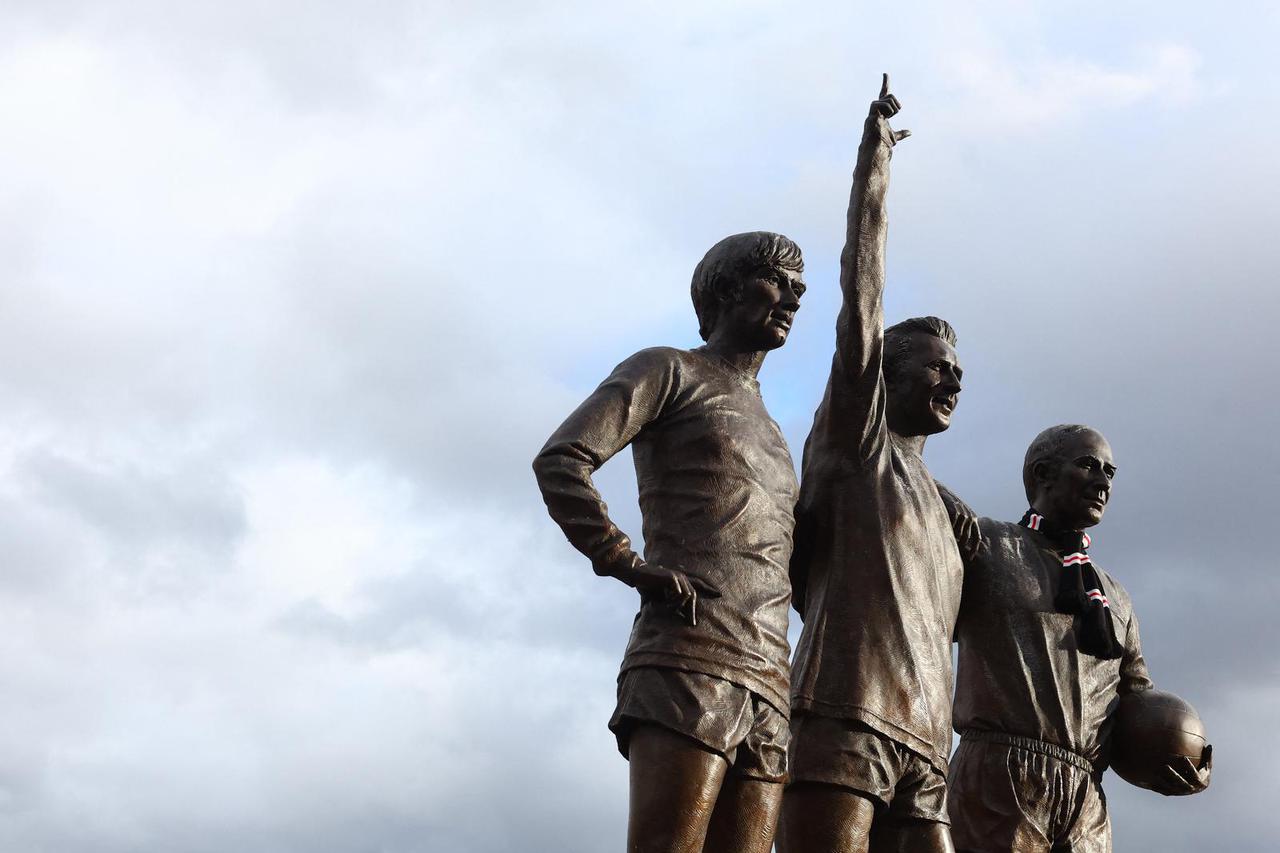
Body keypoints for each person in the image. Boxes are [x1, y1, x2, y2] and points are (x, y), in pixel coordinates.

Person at [532, 230, 806, 853]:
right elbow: (562, 459)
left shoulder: (774, 431)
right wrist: (623, 561)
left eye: (799, 289)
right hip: (690, 655)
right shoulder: (669, 369)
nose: (791, 298)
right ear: (724, 290)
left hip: (770, 677)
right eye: (775, 281)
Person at [779, 76, 963, 853]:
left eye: (959, 371)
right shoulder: (859, 439)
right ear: (883, 376)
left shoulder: (953, 516)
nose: (952, 378)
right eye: (934, 366)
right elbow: (863, 287)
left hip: (929, 748)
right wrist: (875, 165)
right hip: (844, 715)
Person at [944, 424, 1212, 853]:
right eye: (1088, 465)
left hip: (1085, 797)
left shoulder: (1115, 597)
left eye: (1110, 472)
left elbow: (1135, 698)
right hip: (998, 779)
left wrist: (1183, 760)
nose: (1103, 480)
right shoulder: (987, 545)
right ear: (1043, 473)